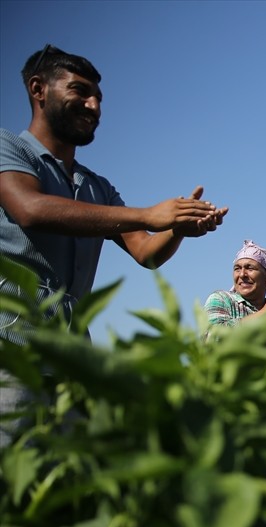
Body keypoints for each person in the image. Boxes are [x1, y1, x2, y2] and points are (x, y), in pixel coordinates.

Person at [0, 44, 226, 447]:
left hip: (72, 366)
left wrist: (177, 228)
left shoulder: (97, 186)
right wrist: (149, 214)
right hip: (12, 356)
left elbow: (145, 252)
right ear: (38, 89)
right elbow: (29, 208)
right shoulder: (9, 149)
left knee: (68, 476)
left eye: (99, 98)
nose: (94, 106)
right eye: (80, 91)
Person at [204, 240, 266, 337]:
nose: (242, 274)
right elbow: (213, 336)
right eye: (237, 269)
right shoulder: (221, 299)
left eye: (250, 268)